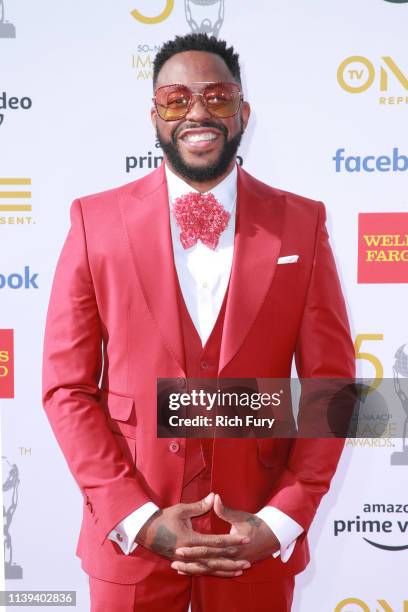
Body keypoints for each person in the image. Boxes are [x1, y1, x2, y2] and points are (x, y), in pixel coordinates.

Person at [42, 33, 355, 612]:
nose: (198, 113)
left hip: (253, 538)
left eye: (216, 96)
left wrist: (282, 519)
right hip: (132, 544)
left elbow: (331, 387)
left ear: (243, 111)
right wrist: (137, 518)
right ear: (155, 115)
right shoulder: (94, 220)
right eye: (176, 99)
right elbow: (66, 388)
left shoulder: (302, 224)